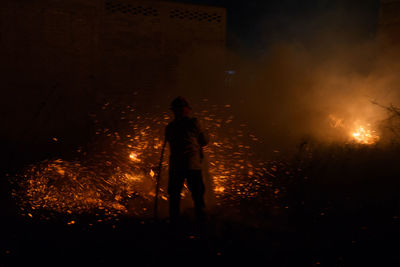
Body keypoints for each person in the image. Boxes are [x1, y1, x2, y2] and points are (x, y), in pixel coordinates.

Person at [165, 96, 209, 222]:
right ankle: (201, 220)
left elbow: (170, 140)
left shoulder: (170, 127)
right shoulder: (193, 123)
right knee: (197, 194)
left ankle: (174, 221)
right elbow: (204, 140)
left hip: (176, 167)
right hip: (192, 165)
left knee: (174, 195)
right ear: (187, 110)